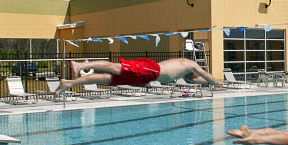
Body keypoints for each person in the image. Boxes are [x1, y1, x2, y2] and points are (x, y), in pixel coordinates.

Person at [54, 57, 222, 95]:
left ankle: (68, 83)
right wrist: (217, 82)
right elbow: (207, 76)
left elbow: (197, 80)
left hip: (146, 78)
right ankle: (81, 65)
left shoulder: (186, 71)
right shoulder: (190, 64)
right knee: (113, 67)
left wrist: (209, 84)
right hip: (148, 70)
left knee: (105, 79)